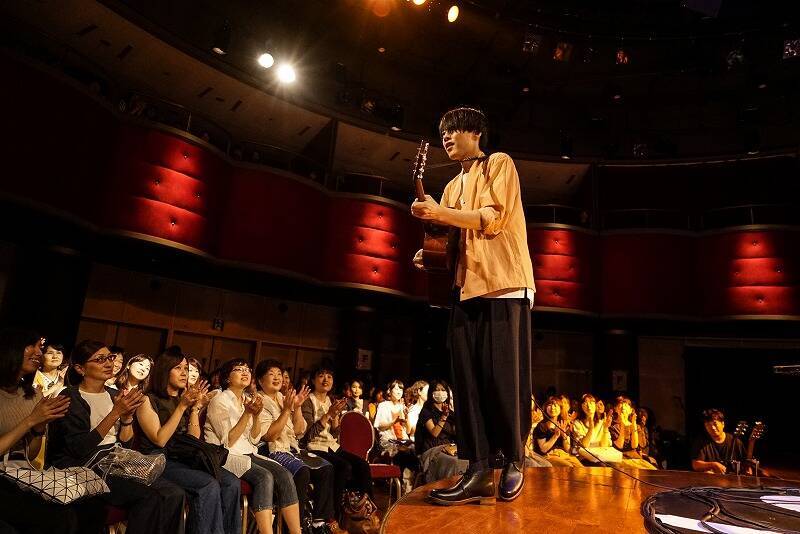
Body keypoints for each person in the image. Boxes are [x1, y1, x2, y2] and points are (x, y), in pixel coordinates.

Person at [411, 106, 535, 504]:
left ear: (474, 133)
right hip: (465, 287)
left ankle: (514, 460)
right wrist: (428, 253)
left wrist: (439, 212)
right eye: (442, 132)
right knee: (466, 381)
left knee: (504, 376)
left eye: (453, 130)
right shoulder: (450, 186)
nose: (446, 137)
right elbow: (449, 239)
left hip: (503, 284)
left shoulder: (499, 164)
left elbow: (491, 218)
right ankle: (479, 469)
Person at [49, 340, 187, 534]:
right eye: (100, 359)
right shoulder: (71, 396)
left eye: (110, 358)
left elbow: (125, 441)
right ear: (80, 369)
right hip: (85, 465)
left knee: (174, 493)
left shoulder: (115, 394)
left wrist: (127, 418)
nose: (108, 363)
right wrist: (115, 413)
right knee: (149, 497)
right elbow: (79, 448)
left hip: (114, 460)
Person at [0, 328, 106, 534]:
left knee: (92, 509)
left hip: (18, 472)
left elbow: (29, 455)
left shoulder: (32, 395)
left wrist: (39, 428)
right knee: (56, 520)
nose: (38, 353)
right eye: (31, 346)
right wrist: (31, 421)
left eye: (40, 347)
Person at [136, 346, 241, 534]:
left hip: (183, 457)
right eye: (178, 368)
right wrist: (182, 407)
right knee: (207, 484)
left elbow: (193, 440)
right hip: (159, 459)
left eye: (186, 368)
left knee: (231, 482)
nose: (184, 373)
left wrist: (194, 409)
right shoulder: (148, 400)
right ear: (164, 371)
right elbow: (159, 440)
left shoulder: (184, 399)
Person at [204, 359, 302, 534]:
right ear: (227, 378)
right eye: (238, 369)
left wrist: (255, 416)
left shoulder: (248, 399)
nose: (245, 372)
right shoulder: (219, 400)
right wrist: (248, 413)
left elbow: (255, 438)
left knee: (284, 474)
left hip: (248, 451)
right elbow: (228, 441)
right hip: (224, 455)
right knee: (264, 477)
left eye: (247, 369)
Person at [254, 360, 344, 534]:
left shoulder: (282, 398)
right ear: (259, 380)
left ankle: (318, 522)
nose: (277, 377)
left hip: (291, 447)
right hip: (270, 450)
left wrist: (298, 407)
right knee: (301, 472)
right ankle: (296, 526)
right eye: (271, 374)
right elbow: (269, 436)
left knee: (327, 468)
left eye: (279, 374)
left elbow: (298, 431)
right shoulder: (259, 400)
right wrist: (288, 410)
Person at [300, 364, 373, 514]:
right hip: (314, 447)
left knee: (362, 466)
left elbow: (334, 434)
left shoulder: (331, 400)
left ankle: (366, 511)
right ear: (313, 380)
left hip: (331, 446)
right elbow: (307, 436)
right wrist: (328, 415)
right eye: (321, 376)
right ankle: (335, 514)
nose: (326, 379)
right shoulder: (308, 401)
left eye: (329, 376)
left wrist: (335, 419)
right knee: (343, 467)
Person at [414, 380, 469, 483]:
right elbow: (434, 433)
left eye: (443, 390)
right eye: (437, 390)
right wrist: (444, 416)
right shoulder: (426, 412)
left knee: (465, 460)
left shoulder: (451, 413)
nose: (440, 392)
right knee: (454, 462)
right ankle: (447, 487)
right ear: (431, 393)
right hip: (432, 450)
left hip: (450, 448)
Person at [374, 380, 419, 493]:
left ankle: (411, 486)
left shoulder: (401, 406)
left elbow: (408, 430)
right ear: (389, 391)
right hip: (388, 439)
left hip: (403, 439)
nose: (399, 391)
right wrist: (395, 420)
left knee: (416, 452)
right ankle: (400, 488)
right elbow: (379, 426)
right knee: (402, 453)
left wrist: (407, 415)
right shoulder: (383, 405)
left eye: (401, 389)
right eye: (396, 388)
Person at [691, 408, 747, 475]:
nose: (712, 428)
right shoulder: (701, 441)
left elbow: (746, 463)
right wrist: (714, 465)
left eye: (715, 424)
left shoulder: (735, 441)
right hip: (711, 482)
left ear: (723, 424)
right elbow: (695, 465)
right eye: (708, 425)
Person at [532, 396, 582, 468]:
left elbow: (567, 450)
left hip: (563, 454)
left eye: (555, 405)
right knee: (568, 467)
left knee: (580, 468)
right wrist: (555, 436)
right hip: (548, 456)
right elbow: (543, 449)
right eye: (550, 405)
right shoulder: (542, 426)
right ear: (545, 408)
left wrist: (564, 436)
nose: (553, 408)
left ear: (560, 409)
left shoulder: (563, 424)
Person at [609, 396, 657, 470]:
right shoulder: (612, 426)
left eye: (626, 405)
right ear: (616, 409)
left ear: (631, 410)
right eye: (621, 405)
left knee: (651, 469)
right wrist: (622, 424)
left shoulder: (635, 425)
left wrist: (634, 424)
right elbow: (619, 446)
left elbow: (635, 445)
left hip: (634, 457)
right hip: (620, 458)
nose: (623, 407)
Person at [572, 394, 613, 464]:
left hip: (601, 456)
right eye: (585, 402)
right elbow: (584, 445)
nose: (588, 405)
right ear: (582, 406)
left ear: (595, 405)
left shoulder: (602, 422)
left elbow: (605, 445)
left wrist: (605, 428)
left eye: (591, 402)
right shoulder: (577, 423)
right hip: (584, 458)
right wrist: (591, 428)